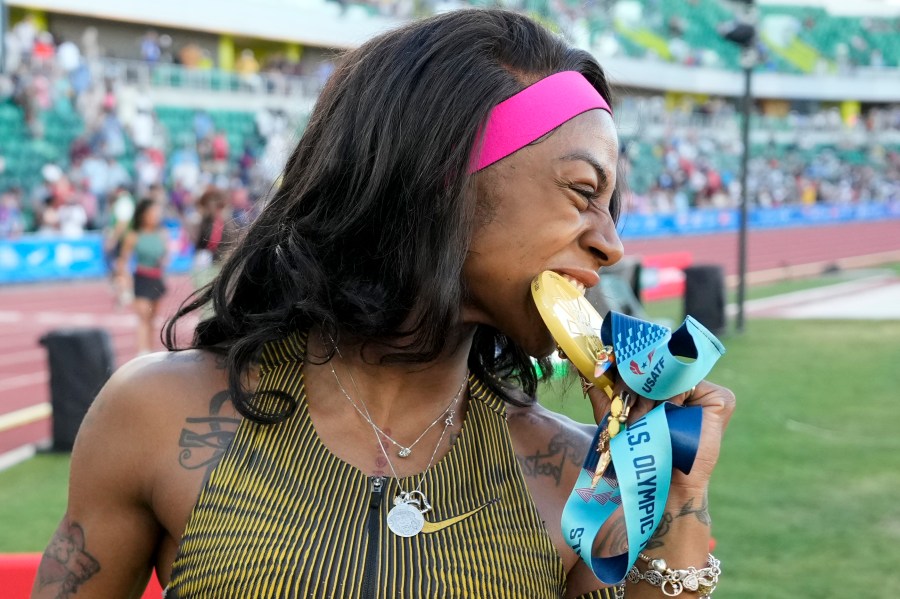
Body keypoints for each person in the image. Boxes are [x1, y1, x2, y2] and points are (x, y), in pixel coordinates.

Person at [32, 10, 735, 598]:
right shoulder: (155, 412)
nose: (611, 243)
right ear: (439, 176)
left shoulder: (576, 471)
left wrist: (677, 501)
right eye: (584, 193)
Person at [116, 199, 168, 355]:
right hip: (141, 278)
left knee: (152, 318)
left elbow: (165, 256)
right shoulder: (133, 235)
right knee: (143, 317)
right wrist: (125, 281)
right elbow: (122, 260)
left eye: (157, 213)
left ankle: (150, 351)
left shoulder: (161, 234)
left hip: (157, 278)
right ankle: (142, 352)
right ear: (143, 215)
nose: (156, 216)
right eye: (152, 213)